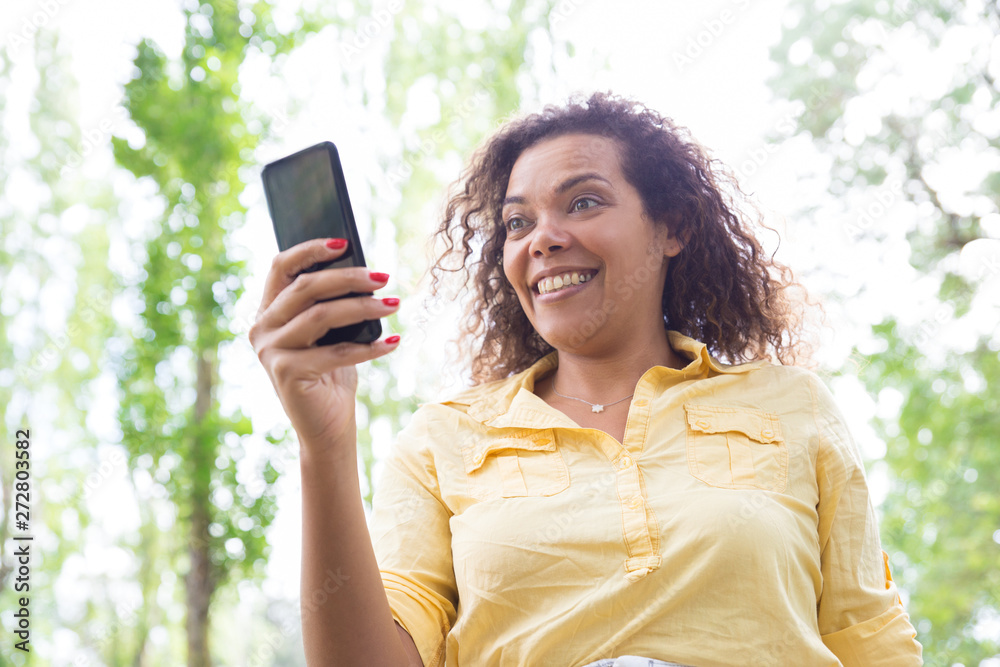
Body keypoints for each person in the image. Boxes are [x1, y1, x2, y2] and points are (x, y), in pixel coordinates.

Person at [250, 92, 924, 667]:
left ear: (673, 226)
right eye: (518, 221)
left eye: (583, 202)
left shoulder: (792, 406)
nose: (542, 237)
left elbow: (873, 641)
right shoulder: (443, 441)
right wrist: (326, 446)